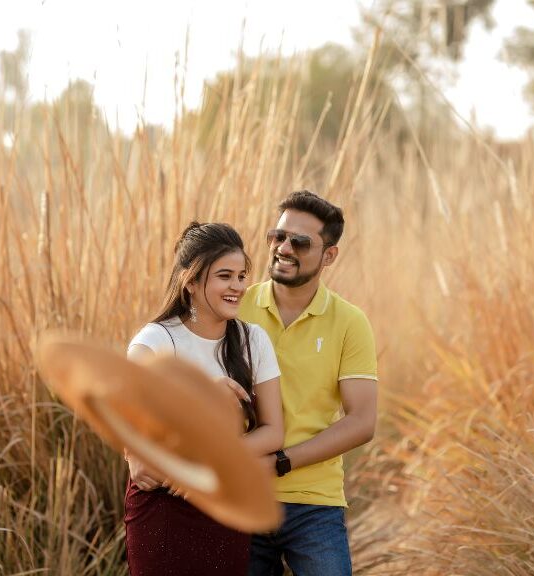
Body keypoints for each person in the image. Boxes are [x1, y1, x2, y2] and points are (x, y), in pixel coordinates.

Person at [124, 222, 284, 576]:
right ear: (191, 281)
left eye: (242, 276)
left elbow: (273, 432)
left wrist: (210, 461)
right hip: (163, 505)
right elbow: (125, 413)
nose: (238, 287)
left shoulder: (253, 341)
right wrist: (134, 451)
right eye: (224, 276)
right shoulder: (156, 340)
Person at [239, 190, 378, 576]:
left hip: (314, 502)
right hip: (242, 496)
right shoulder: (237, 307)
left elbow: (362, 421)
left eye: (299, 242)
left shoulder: (350, 322)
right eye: (277, 236)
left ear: (329, 255)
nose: (284, 248)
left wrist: (281, 463)